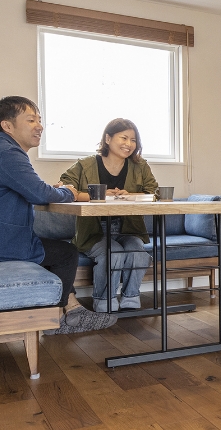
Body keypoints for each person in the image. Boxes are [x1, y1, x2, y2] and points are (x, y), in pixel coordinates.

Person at [0, 96, 117, 334]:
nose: (40, 126)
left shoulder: (1, 151)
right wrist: (67, 191)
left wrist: (57, 191)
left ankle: (70, 311)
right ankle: (57, 320)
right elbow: (40, 193)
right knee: (66, 253)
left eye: (40, 120)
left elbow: (37, 189)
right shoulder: (7, 154)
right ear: (7, 125)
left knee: (57, 249)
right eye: (31, 119)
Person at [60, 118, 157, 312]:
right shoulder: (85, 165)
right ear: (107, 138)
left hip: (129, 228)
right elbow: (65, 187)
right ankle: (104, 301)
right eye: (124, 138)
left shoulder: (140, 166)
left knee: (138, 253)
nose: (129, 144)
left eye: (133, 140)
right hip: (94, 231)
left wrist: (131, 195)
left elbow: (153, 193)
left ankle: (131, 297)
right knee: (113, 253)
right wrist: (98, 195)